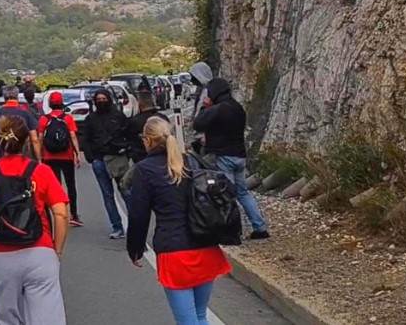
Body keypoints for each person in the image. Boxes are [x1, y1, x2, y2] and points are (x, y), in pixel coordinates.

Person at [126, 117, 233, 325]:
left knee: (188, 321)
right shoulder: (190, 161)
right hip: (205, 245)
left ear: (147, 140)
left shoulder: (145, 170)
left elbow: (138, 215)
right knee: (200, 316)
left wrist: (135, 249)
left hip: (175, 252)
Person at [0, 114, 70, 325]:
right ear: (27, 142)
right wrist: (57, 249)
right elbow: (61, 213)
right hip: (39, 250)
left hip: (0, 252)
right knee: (47, 316)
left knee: (7, 316)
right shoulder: (41, 171)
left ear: (0, 142)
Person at [192, 78, 269, 239]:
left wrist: (205, 108)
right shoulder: (237, 107)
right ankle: (260, 227)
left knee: (226, 194)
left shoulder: (218, 109)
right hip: (240, 155)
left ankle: (232, 230)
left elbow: (198, 124)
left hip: (224, 156)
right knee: (243, 193)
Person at [82, 87, 132, 240]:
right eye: (99, 99)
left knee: (127, 192)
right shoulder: (91, 119)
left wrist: (126, 152)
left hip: (117, 159)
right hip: (99, 160)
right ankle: (117, 226)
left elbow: (128, 134)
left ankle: (135, 223)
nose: (101, 102)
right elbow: (85, 140)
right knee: (107, 195)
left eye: (104, 99)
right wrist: (91, 157)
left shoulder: (118, 116)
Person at [37, 92, 83, 227]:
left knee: (54, 187)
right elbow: (73, 136)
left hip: (49, 157)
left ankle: (56, 213)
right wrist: (77, 154)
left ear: (50, 104)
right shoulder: (67, 118)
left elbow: (39, 139)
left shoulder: (44, 119)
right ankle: (74, 214)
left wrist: (39, 157)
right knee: (71, 185)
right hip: (66, 156)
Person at [0, 86, 41, 159]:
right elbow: (34, 139)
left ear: (4, 97)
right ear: (17, 96)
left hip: (1, 157)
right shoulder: (26, 114)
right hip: (22, 158)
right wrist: (39, 160)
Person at [127, 91, 168, 164]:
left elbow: (132, 144)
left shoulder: (134, 122)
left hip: (143, 160)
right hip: (165, 158)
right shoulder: (163, 118)